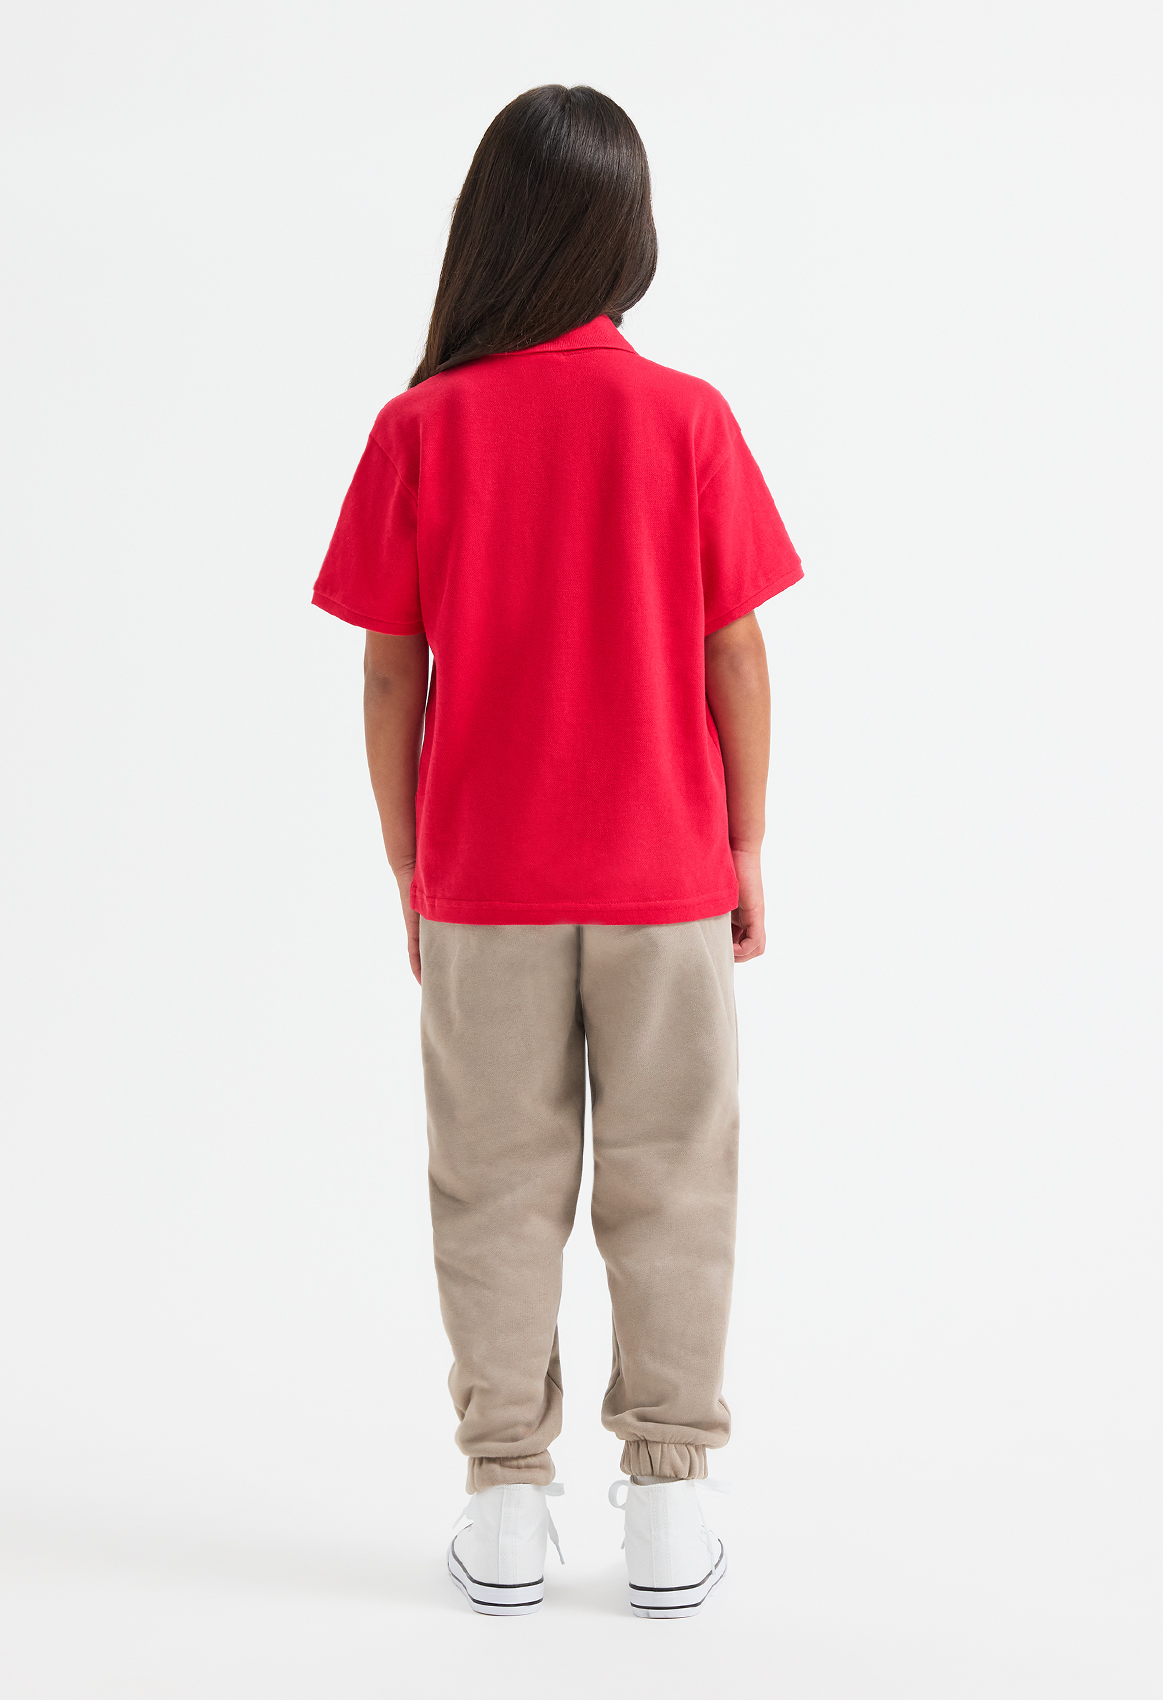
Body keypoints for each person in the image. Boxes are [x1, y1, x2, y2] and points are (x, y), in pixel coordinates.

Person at [312, 84, 802, 1619]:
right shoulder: (689, 419)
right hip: (667, 874)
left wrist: (413, 866)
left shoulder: (421, 427)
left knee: (494, 1187)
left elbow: (389, 674)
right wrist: (746, 843)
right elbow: (737, 653)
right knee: (675, 1179)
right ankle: (669, 1506)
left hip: (488, 881)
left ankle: (508, 1504)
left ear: (493, 231)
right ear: (628, 235)